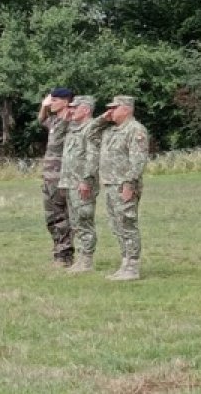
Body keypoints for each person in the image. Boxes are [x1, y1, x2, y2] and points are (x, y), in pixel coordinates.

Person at [96, 95, 150, 281]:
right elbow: (89, 133)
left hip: (124, 186)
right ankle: (125, 262)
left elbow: (138, 161)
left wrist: (130, 185)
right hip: (111, 184)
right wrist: (103, 119)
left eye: (115, 108)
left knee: (127, 224)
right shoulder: (111, 130)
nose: (110, 111)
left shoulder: (135, 130)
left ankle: (132, 266)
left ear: (126, 109)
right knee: (116, 225)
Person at [59, 96, 101, 273]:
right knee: (76, 222)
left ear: (86, 110)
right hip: (71, 182)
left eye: (75, 108)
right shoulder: (74, 129)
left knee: (84, 220)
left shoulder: (91, 129)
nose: (71, 110)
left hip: (82, 183)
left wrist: (86, 180)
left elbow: (92, 158)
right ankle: (81, 258)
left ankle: (87, 261)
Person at [38, 87, 75, 267]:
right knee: (52, 218)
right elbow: (42, 119)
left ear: (66, 102)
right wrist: (44, 106)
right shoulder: (55, 121)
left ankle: (66, 255)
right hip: (49, 177)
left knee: (64, 216)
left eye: (54, 100)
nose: (50, 103)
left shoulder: (71, 120)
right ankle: (59, 252)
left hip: (62, 176)